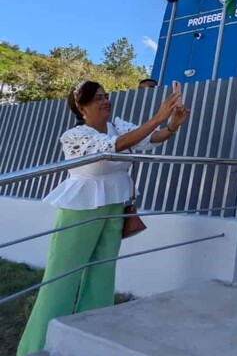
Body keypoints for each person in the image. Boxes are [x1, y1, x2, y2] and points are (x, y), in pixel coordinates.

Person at [18, 81, 188, 355]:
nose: (105, 101)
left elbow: (148, 138)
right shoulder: (74, 135)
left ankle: (92, 335)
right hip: (81, 208)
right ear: (81, 106)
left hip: (115, 205)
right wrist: (158, 117)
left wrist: (171, 125)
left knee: (103, 271)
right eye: (97, 98)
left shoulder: (117, 126)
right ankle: (37, 345)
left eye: (106, 96)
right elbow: (114, 147)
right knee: (62, 276)